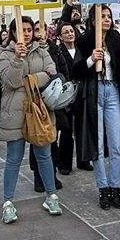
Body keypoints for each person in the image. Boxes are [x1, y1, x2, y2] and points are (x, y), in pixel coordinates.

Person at [0, 15, 63, 223]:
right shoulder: (5, 55)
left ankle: (51, 196)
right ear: (13, 33)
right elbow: (10, 81)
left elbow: (52, 73)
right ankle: (8, 202)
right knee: (14, 159)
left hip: (38, 110)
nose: (26, 34)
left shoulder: (42, 51)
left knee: (44, 155)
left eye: (28, 30)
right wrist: (18, 59)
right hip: (15, 112)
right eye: (21, 30)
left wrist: (32, 79)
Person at [74, 4, 120, 210]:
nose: (107, 19)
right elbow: (76, 71)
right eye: (102, 16)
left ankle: (115, 187)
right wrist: (91, 59)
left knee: (116, 143)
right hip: (93, 93)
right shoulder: (84, 41)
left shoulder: (118, 41)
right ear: (93, 20)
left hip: (114, 92)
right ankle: (103, 187)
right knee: (97, 143)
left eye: (109, 16)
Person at [49, 22, 84, 175]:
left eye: (71, 31)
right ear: (60, 36)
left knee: (82, 129)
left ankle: (84, 160)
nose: (70, 34)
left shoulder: (82, 50)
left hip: (82, 94)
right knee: (66, 130)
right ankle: (64, 164)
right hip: (66, 96)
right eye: (66, 32)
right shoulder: (58, 52)